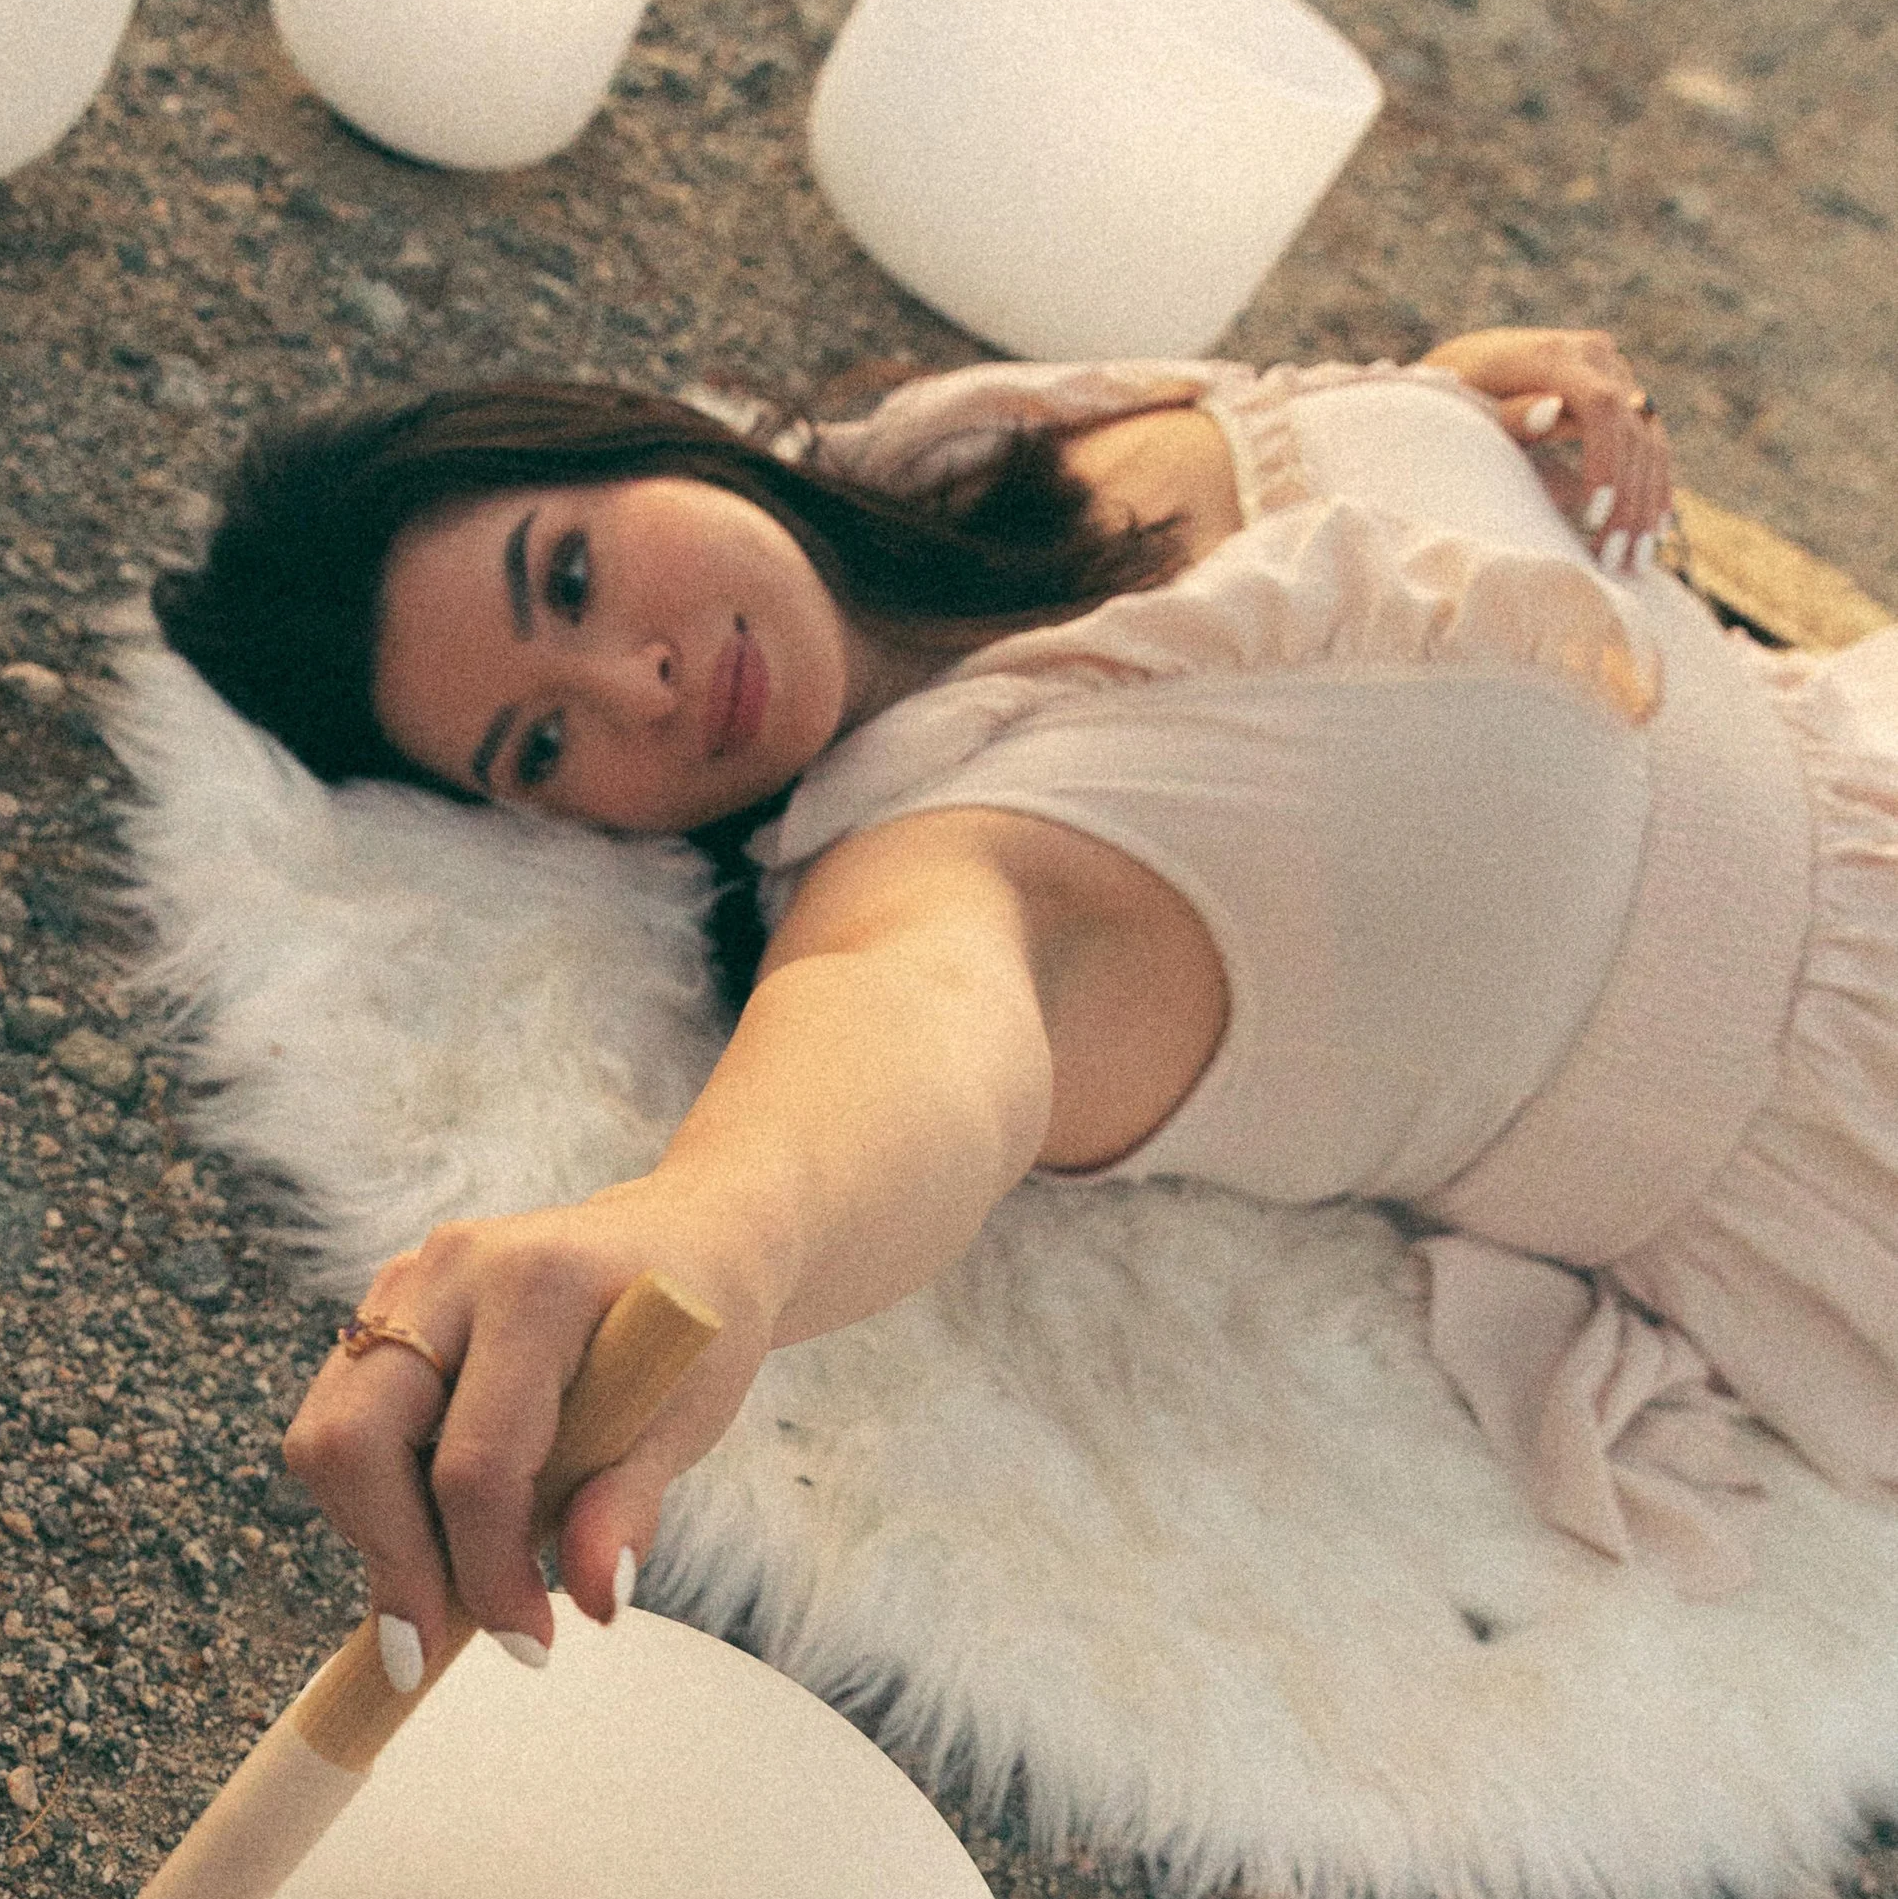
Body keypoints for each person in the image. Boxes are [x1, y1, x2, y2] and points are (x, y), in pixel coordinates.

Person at [150, 327, 1898, 1660]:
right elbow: (906, 1044)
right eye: (543, 747)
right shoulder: (935, 863)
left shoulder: (988, 447)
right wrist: (707, 1243)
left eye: (575, 576)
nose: (638, 682)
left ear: (634, 444)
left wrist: (1473, 392)